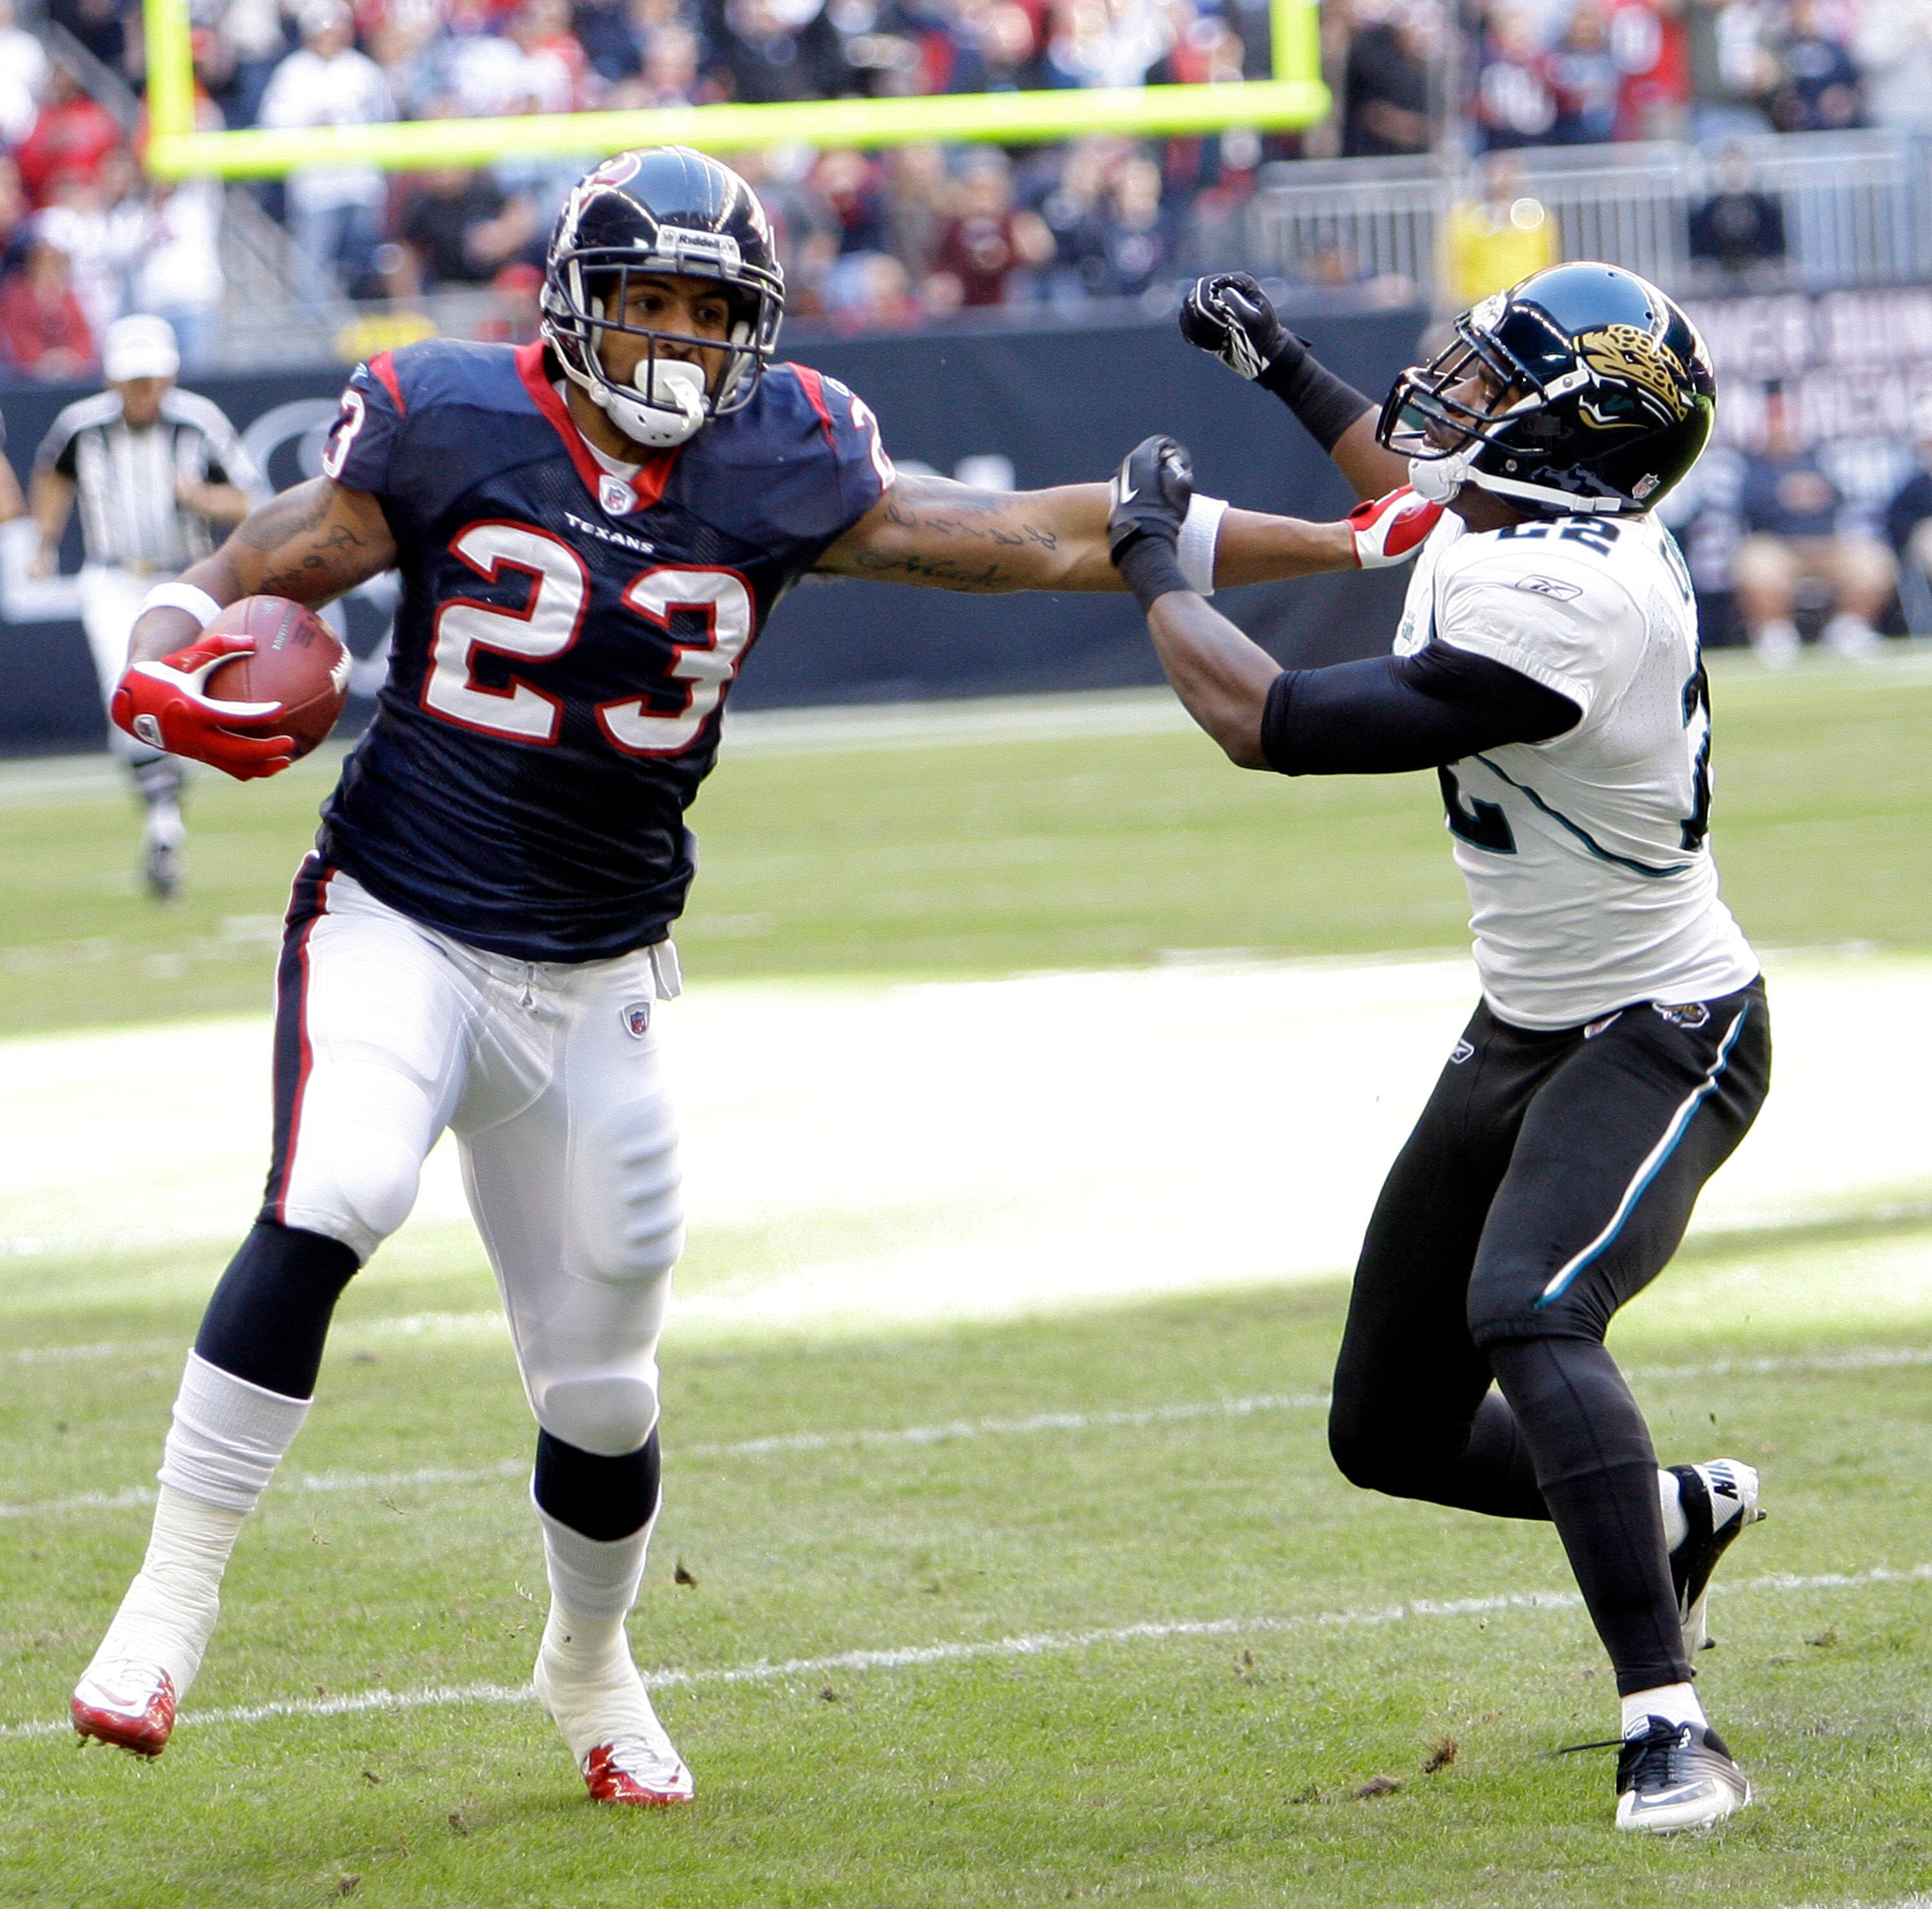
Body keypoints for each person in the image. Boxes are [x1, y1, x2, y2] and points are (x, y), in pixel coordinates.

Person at [66, 144, 1430, 1808]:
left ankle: (589, 1658)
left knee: (607, 1369)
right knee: (337, 1185)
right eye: (644, 307)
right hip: (403, 910)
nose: (674, 349)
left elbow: (1046, 538)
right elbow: (251, 569)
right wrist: (158, 655)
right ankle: (169, 1597)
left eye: (711, 317)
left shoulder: (784, 461)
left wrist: (1349, 536)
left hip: (604, 961)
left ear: (755, 331)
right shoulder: (450, 419)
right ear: (575, 306)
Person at [1167, 262, 1769, 1832]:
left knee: (1528, 1308)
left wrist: (1150, 576)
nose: (1455, 403)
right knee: (1384, 1426)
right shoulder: (1515, 530)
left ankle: (1668, 1728)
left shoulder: (1574, 595)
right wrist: (1280, 365)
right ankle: (1662, 1511)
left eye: (1499, 387)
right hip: (1522, 1027)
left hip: (1665, 1025)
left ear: (1575, 435)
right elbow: (1413, 489)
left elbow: (1270, 721)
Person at [28, 314, 262, 898]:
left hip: (184, 580)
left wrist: (198, 496)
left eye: (150, 379)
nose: (142, 391)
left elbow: (249, 498)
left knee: (175, 706)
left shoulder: (197, 422)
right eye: (133, 380)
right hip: (112, 579)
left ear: (168, 376)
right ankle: (165, 827)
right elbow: (52, 475)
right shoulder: (81, 427)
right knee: (127, 696)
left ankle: (164, 814)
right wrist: (46, 540)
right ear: (111, 379)